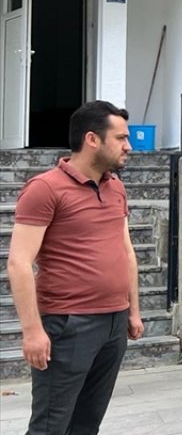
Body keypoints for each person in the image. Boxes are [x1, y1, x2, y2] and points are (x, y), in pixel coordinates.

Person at [7, 101, 145, 435]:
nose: (130, 146)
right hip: (68, 324)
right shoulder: (45, 189)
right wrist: (32, 331)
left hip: (114, 324)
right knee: (50, 426)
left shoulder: (116, 187)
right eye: (121, 138)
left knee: (87, 423)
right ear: (92, 139)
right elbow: (18, 262)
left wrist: (133, 311)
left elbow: (126, 251)